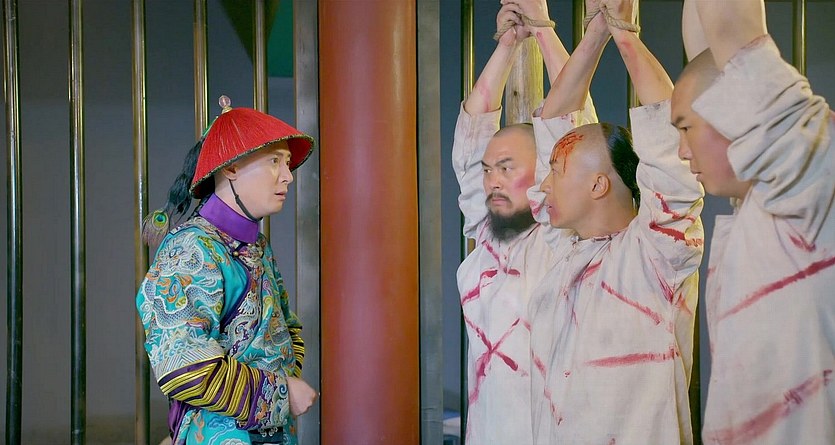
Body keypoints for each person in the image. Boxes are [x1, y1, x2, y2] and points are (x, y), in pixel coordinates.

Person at [528, 0, 704, 442]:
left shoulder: (656, 255)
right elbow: (555, 121)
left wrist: (625, 32)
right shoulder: (567, 251)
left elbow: (667, 139)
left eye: (556, 171)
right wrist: (595, 32)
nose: (543, 184)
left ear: (598, 185)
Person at [676, 1, 835, 443]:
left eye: (685, 128)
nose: (682, 151)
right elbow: (710, 57)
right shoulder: (762, 208)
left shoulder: (809, 174)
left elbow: (731, 27)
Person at [451, 1, 598, 442]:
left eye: (507, 168)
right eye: (488, 170)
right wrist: (507, 44)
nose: (493, 180)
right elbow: (472, 132)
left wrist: (543, 29)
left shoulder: (564, 240)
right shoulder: (486, 234)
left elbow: (575, 128)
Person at [136, 96, 318, 445]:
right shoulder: (191, 249)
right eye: (274, 161)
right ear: (230, 168)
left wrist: (285, 384)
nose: (287, 176)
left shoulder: (256, 245)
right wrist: (280, 392)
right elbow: (183, 365)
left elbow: (288, 328)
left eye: (286, 163)